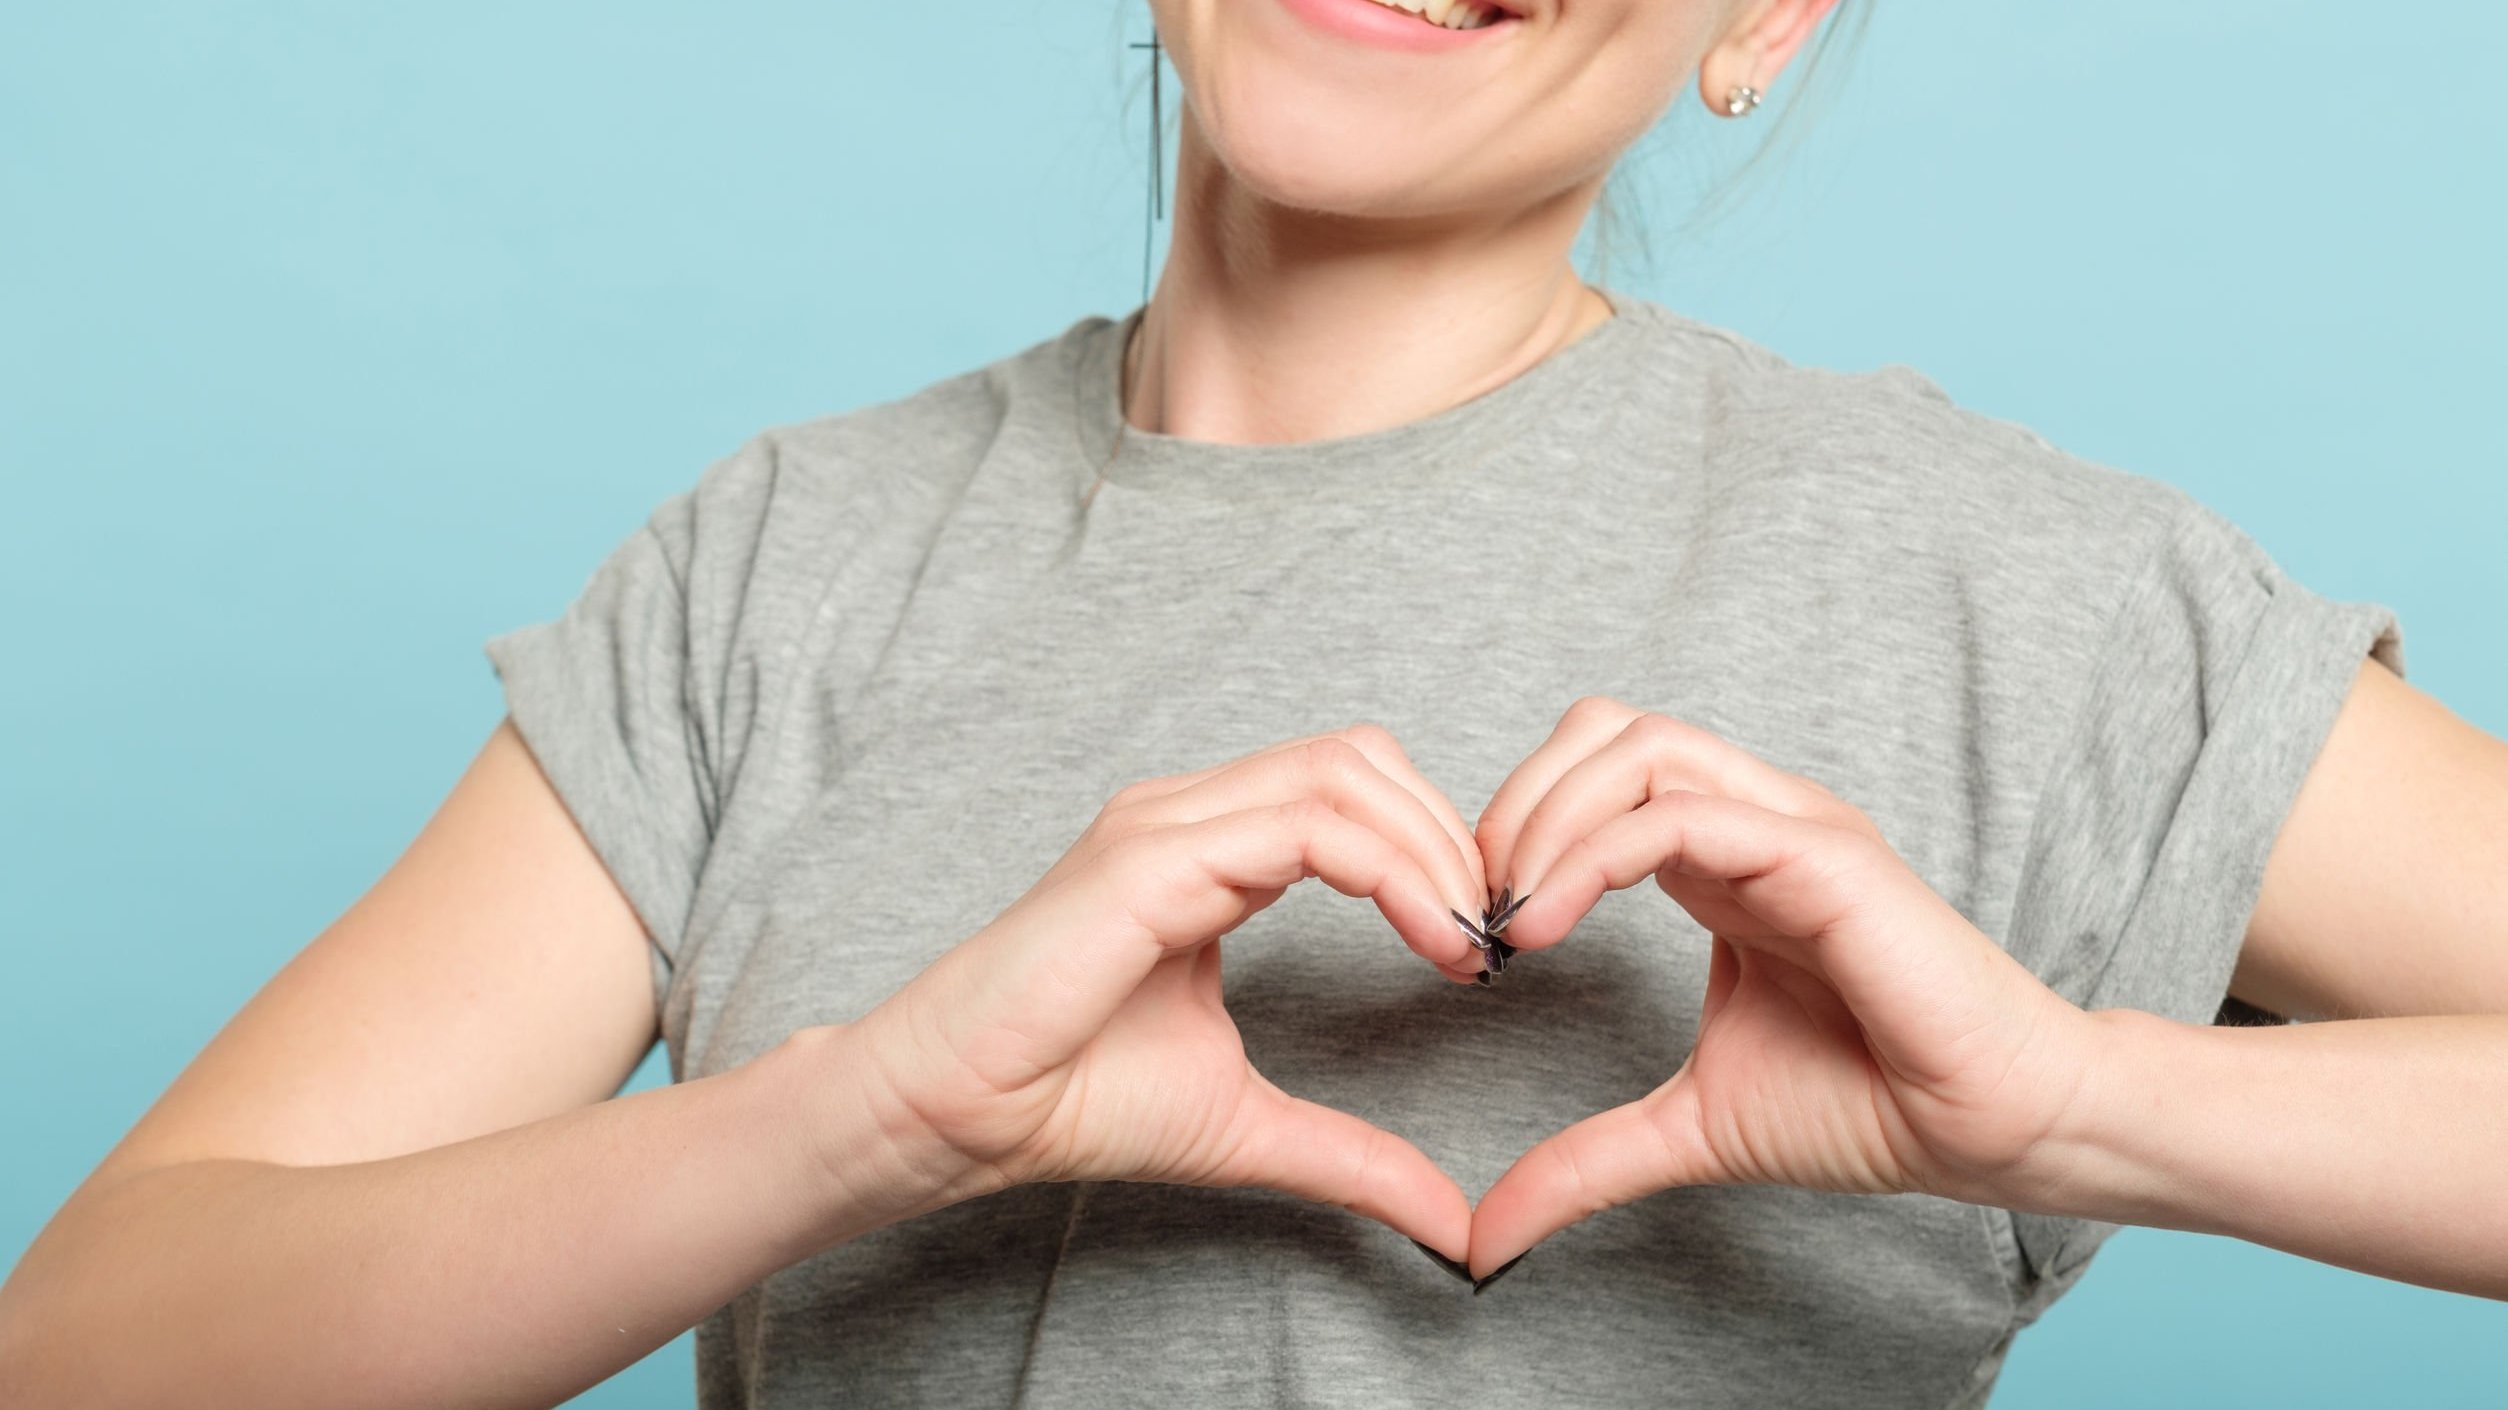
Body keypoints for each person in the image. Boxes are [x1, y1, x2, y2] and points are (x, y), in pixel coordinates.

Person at [4, 0, 2504, 1406]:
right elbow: (97, 1353)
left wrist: (2086, 1105)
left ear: (1767, 16)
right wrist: (870, 1119)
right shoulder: (784, 573)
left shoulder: (1998, 585)